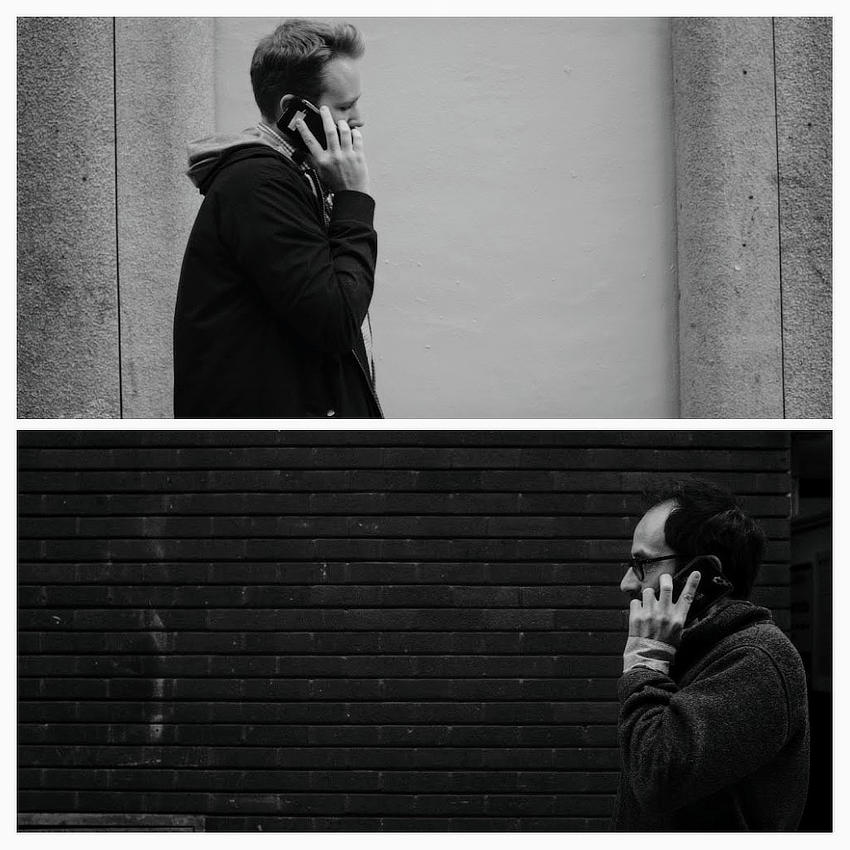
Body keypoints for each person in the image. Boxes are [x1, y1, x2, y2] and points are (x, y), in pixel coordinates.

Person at [173, 19, 382, 417]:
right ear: (293, 112)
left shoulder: (296, 174)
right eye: (344, 106)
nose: (359, 118)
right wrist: (354, 198)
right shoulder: (259, 184)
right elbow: (336, 320)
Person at [612, 478, 810, 831]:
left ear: (700, 575)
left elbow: (658, 778)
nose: (627, 583)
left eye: (642, 564)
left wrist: (645, 661)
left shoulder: (756, 658)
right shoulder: (688, 652)